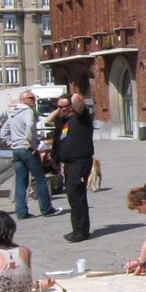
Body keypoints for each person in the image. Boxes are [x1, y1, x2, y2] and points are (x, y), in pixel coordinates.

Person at [3, 90, 61, 220]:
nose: (34, 100)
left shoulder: (12, 113)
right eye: (31, 98)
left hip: (16, 150)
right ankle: (47, 209)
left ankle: (21, 212)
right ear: (24, 100)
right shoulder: (27, 111)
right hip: (27, 149)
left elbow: (3, 131)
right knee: (40, 178)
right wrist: (32, 144)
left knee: (20, 182)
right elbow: (29, 126)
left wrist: (10, 143)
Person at [50, 93, 95, 243]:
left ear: (71, 106)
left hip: (80, 162)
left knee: (76, 195)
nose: (60, 110)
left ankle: (81, 231)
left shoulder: (82, 118)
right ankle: (77, 229)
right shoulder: (64, 121)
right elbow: (48, 120)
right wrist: (60, 109)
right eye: (58, 107)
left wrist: (73, 96)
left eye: (63, 107)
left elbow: (78, 101)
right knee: (72, 196)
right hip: (69, 164)